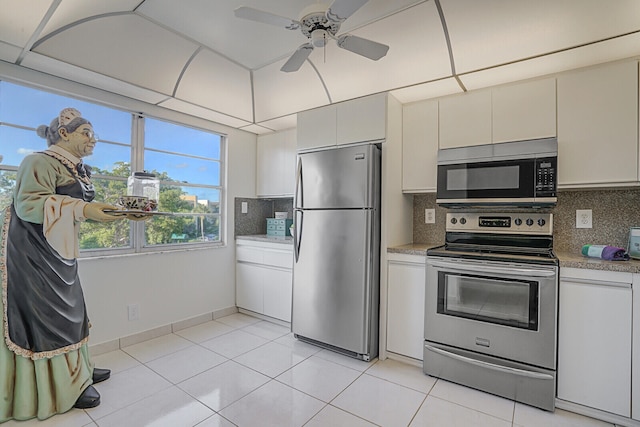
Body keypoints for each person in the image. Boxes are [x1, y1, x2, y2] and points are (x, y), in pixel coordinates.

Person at [0, 107, 141, 421]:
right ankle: (61, 385)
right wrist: (84, 210)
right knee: (50, 317)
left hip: (60, 252)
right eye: (86, 133)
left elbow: (80, 209)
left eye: (93, 134)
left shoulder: (80, 169)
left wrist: (116, 212)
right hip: (33, 254)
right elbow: (29, 205)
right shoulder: (38, 161)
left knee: (73, 310)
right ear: (63, 134)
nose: (93, 140)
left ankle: (80, 371)